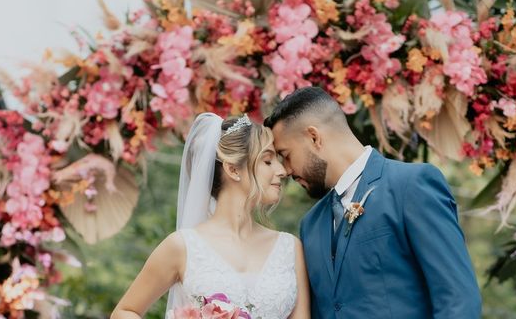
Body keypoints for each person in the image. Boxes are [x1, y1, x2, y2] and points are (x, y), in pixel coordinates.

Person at [264, 87, 482, 319]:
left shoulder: (411, 186)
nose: (285, 170)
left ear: (314, 137)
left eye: (286, 155)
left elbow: (458, 300)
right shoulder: (311, 224)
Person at [111, 113, 310, 319]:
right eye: (268, 161)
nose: (282, 171)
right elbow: (124, 312)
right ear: (233, 169)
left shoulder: (290, 248)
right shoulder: (182, 246)